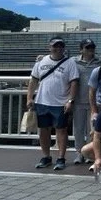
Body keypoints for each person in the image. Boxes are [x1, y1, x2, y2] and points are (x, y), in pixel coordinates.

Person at [27, 37, 80, 171]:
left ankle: (61, 157)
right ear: (49, 47)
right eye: (55, 46)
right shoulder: (41, 61)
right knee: (43, 130)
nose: (58, 49)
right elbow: (33, 80)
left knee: (61, 130)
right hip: (42, 101)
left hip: (60, 102)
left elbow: (74, 82)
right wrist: (29, 98)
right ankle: (46, 156)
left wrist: (70, 100)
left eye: (61, 46)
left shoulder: (70, 63)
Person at [71, 38, 101, 165]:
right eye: (87, 48)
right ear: (81, 50)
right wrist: (41, 58)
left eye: (92, 48)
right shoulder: (73, 61)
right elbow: (60, 61)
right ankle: (79, 153)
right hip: (78, 101)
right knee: (78, 129)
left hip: (94, 102)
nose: (90, 50)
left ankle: (90, 153)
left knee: (93, 130)